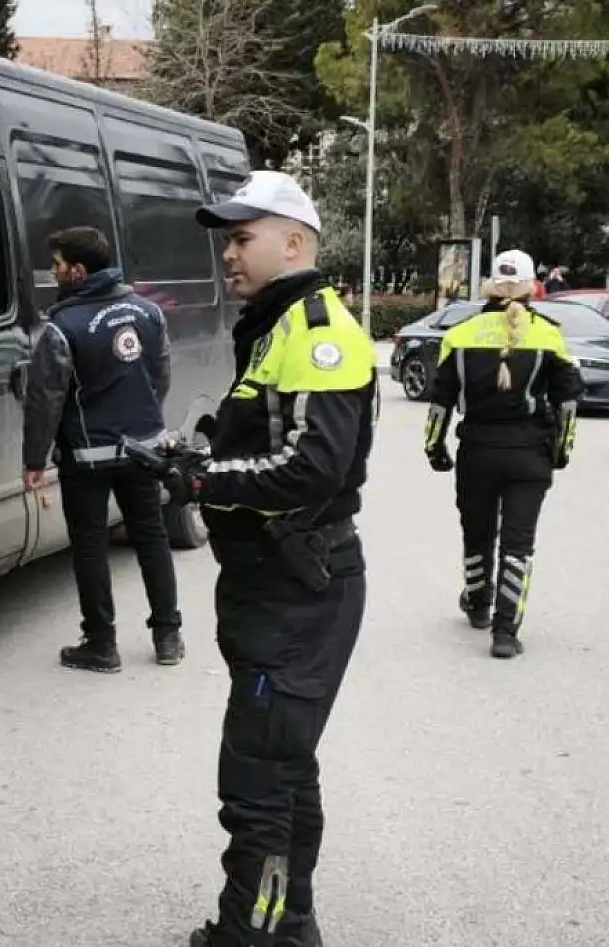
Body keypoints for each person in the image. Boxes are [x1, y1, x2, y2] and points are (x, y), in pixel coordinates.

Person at [170, 171, 378, 947]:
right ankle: (288, 923)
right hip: (274, 587)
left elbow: (310, 469)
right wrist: (197, 459)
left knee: (259, 780)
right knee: (283, 767)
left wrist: (202, 478)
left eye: (241, 237)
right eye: (227, 238)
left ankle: (251, 936)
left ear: (293, 242)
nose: (229, 253)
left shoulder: (319, 331)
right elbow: (264, 447)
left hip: (299, 588)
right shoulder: (274, 326)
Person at [21, 225, 183, 672]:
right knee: (152, 537)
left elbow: (45, 400)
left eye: (56, 265)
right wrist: (140, 419)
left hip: (87, 458)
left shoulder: (62, 327)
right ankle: (168, 636)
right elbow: (159, 377)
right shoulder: (148, 313)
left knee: (90, 548)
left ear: (77, 269)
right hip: (142, 451)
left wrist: (34, 460)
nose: (53, 273)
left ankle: (101, 645)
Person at [422, 249, 583, 660]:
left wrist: (434, 446)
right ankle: (506, 631)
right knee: (518, 543)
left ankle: (477, 604)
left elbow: (440, 401)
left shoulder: (459, 335)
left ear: (489, 285)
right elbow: (567, 403)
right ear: (532, 287)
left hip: (477, 451)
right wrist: (561, 450)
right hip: (530, 455)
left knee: (477, 533)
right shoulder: (548, 334)